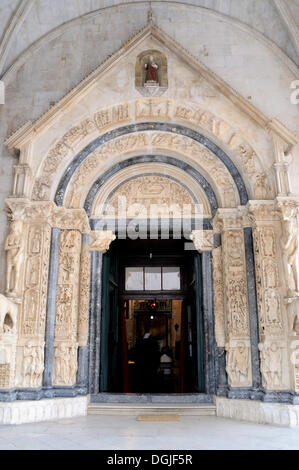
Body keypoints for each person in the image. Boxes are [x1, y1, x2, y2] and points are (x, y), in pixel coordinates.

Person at [135, 329, 160, 393]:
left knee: (143, 382)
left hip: (141, 365)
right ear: (150, 332)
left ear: (143, 332)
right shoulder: (154, 341)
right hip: (152, 365)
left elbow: (136, 354)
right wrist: (157, 365)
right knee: (151, 382)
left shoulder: (139, 341)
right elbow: (157, 354)